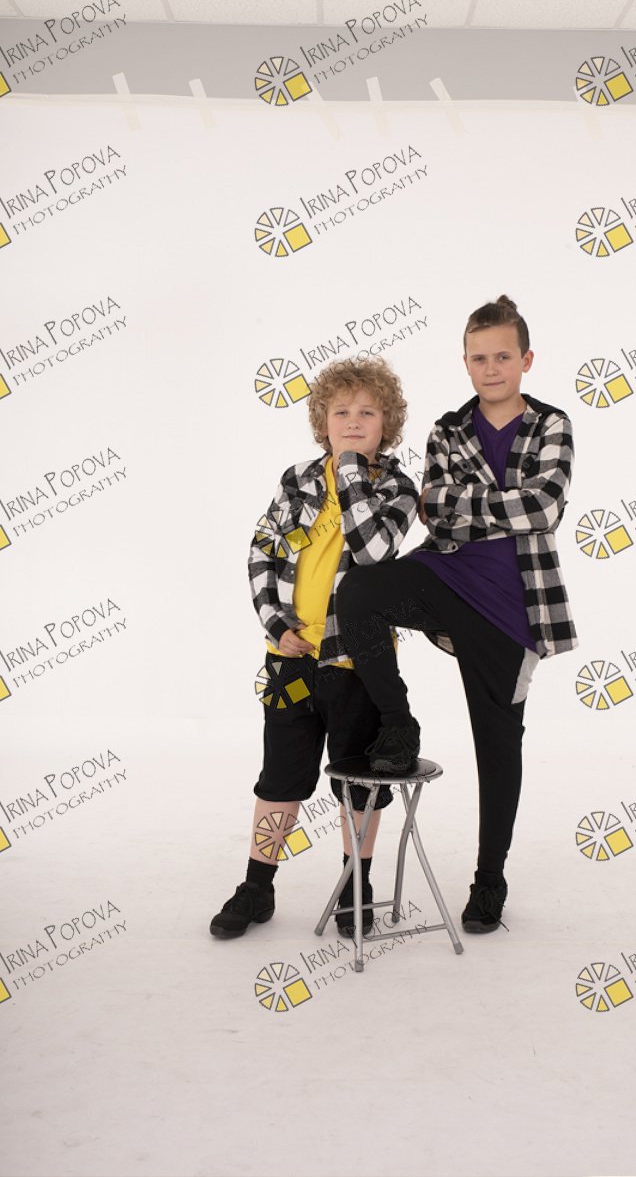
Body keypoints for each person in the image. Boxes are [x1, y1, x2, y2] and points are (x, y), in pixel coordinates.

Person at [336, 295, 578, 933]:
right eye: (479, 358)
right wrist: (494, 502)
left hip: (512, 608)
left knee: (497, 745)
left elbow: (544, 508)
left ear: (526, 360)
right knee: (359, 590)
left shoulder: (552, 424)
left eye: (503, 356)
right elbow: (435, 513)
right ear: (465, 363)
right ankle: (398, 724)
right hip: (446, 576)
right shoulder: (448, 428)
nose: (491, 368)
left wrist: (463, 500)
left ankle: (489, 879)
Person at [210, 357, 418, 940]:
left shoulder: (398, 488)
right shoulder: (297, 480)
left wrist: (351, 471)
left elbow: (373, 551)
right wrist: (275, 623)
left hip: (357, 661)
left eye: (367, 412)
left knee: (358, 782)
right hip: (290, 660)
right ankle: (257, 885)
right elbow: (263, 551)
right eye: (341, 411)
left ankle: (357, 885)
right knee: (280, 775)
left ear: (387, 424)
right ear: (322, 421)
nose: (352, 421)